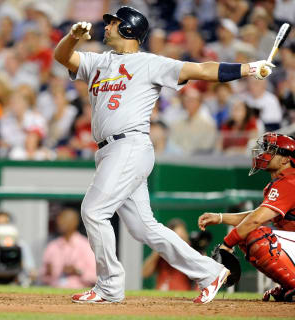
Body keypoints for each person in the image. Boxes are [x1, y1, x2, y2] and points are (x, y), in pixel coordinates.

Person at [54, 6, 275, 304]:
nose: (106, 26)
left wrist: (248, 68)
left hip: (129, 146)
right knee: (145, 228)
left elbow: (202, 69)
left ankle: (109, 286)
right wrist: (72, 37)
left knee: (93, 211)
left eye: (113, 22)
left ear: (129, 29)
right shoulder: (98, 61)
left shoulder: (149, 63)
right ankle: (211, 272)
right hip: (110, 151)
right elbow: (62, 57)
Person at [198, 133, 295, 302]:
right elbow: (256, 216)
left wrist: (227, 244)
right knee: (246, 233)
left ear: (285, 160)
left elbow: (256, 220)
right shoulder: (285, 181)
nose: (264, 153)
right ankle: (289, 286)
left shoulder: (290, 182)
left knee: (256, 235)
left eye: (272, 150)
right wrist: (220, 218)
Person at [41, 208, 96, 288]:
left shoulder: (85, 245)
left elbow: (95, 277)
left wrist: (78, 271)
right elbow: (42, 277)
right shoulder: (52, 246)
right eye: (59, 219)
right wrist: (47, 273)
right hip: (55, 291)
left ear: (75, 222)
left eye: (64, 219)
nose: (60, 222)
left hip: (79, 290)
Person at [142, 219, 192, 291]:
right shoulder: (162, 253)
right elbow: (145, 273)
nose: (180, 242)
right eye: (178, 238)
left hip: (182, 295)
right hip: (161, 293)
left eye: (183, 238)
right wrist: (159, 249)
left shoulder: (191, 253)